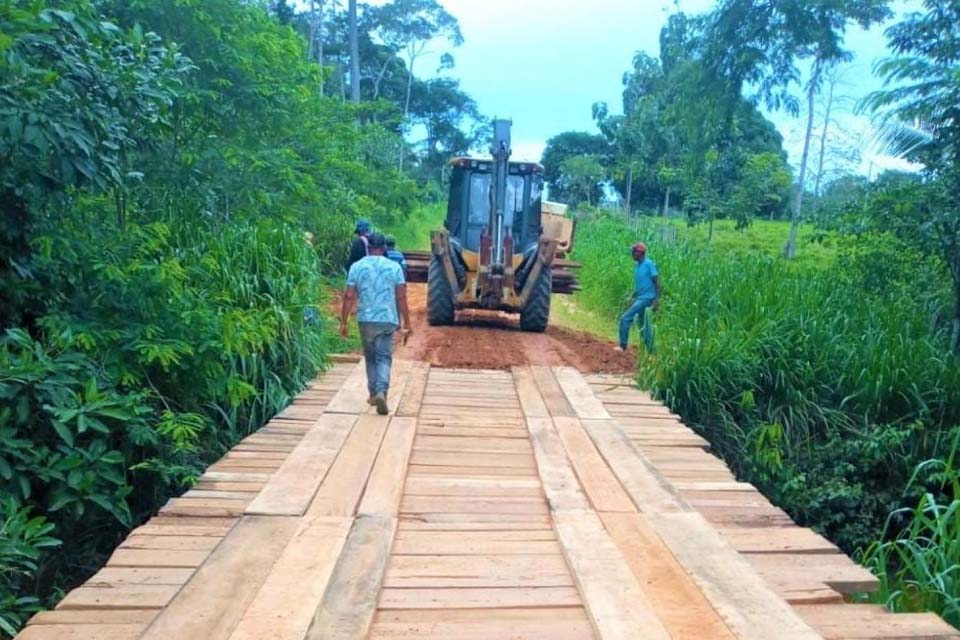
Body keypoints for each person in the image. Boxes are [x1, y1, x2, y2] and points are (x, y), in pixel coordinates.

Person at [339, 232, 412, 414]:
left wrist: (344, 321)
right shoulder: (394, 267)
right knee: (384, 357)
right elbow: (401, 296)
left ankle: (373, 393)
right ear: (384, 248)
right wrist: (407, 322)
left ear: (368, 247)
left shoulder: (357, 267)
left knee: (371, 357)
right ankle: (382, 392)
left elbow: (349, 295)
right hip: (387, 319)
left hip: (366, 319)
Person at [618, 242, 660, 352]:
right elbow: (641, 285)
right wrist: (632, 296)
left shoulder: (649, 264)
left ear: (640, 253)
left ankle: (622, 346)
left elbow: (657, 282)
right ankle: (652, 351)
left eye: (634, 252)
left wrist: (656, 300)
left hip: (647, 298)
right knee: (643, 324)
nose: (632, 254)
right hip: (641, 297)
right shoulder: (637, 266)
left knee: (625, 318)